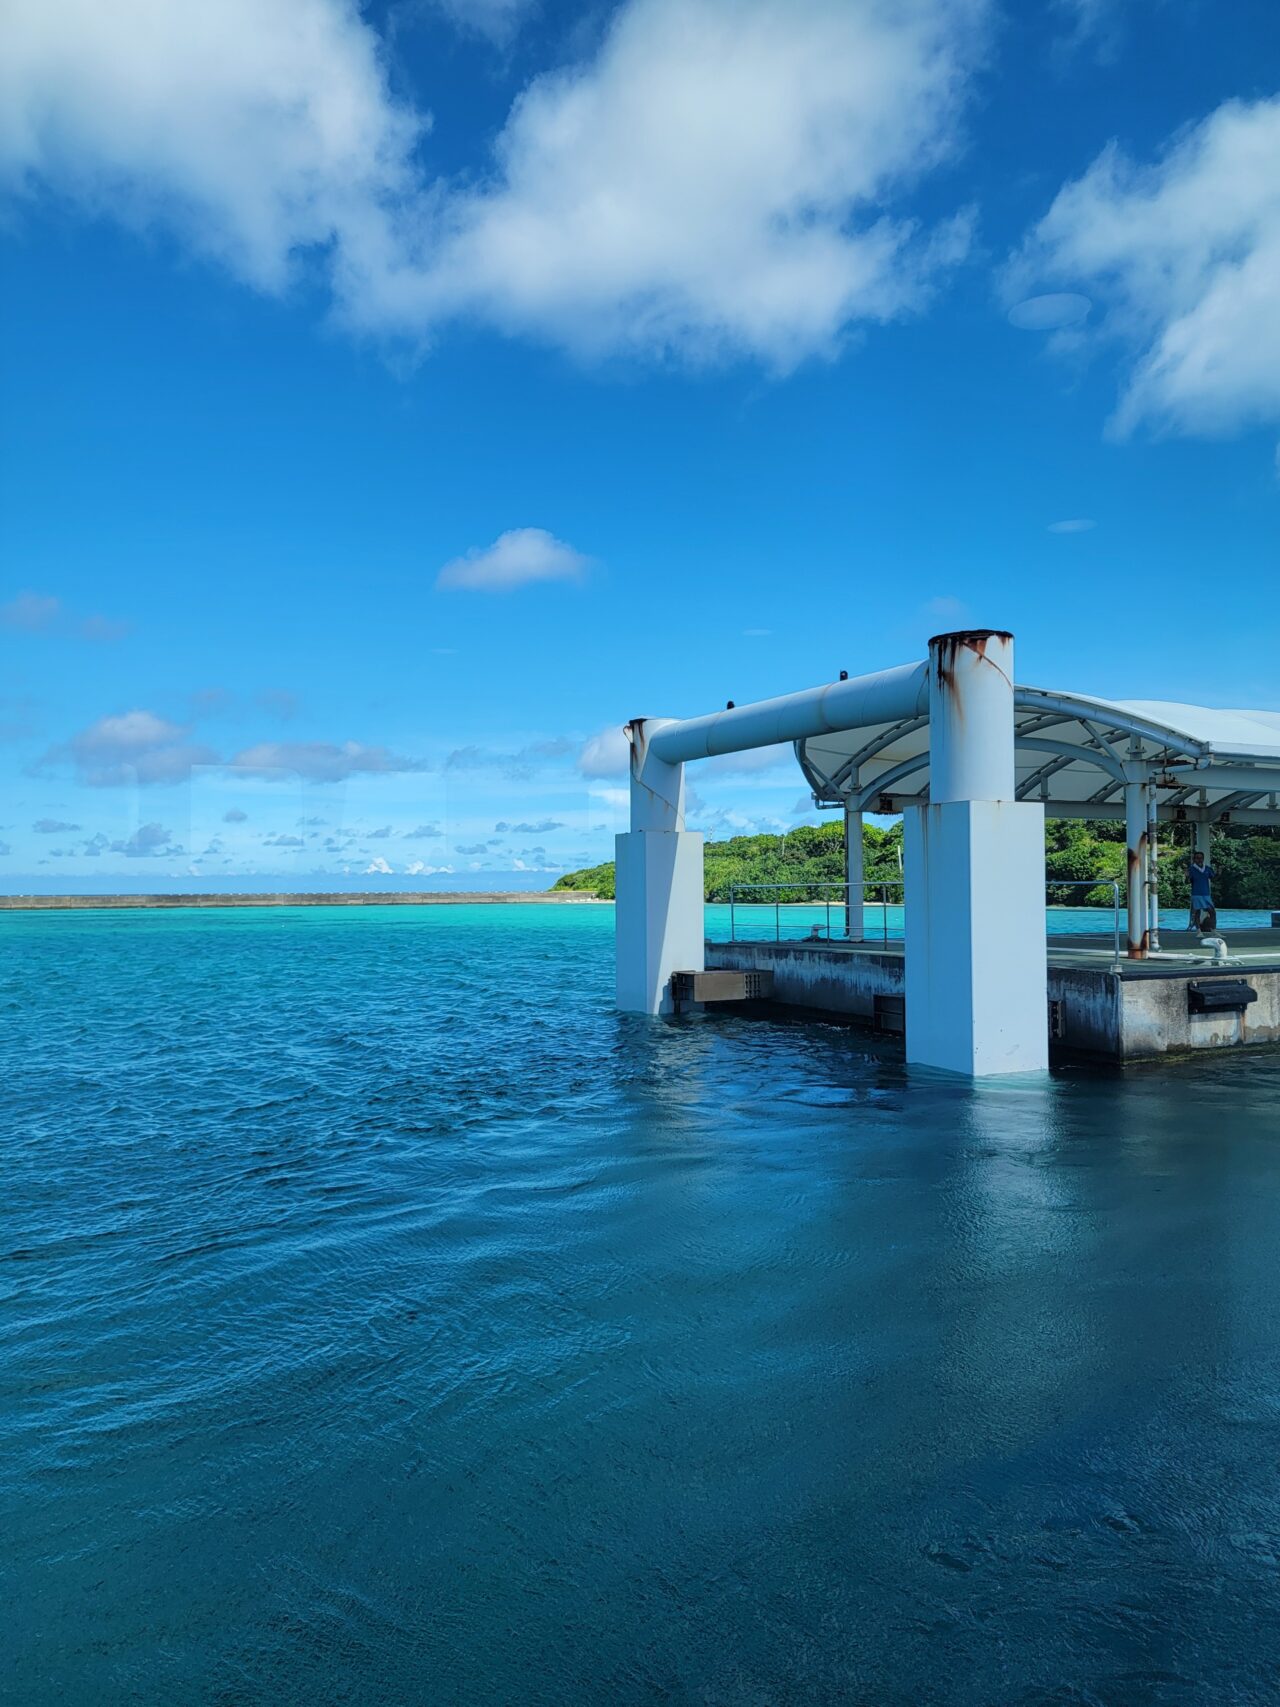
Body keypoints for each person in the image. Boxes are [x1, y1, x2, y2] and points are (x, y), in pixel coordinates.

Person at [1188, 848, 1216, 934]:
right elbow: (1188, 881)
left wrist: (1219, 873)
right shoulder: (1191, 869)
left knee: (1212, 911)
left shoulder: (1207, 869)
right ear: (1194, 859)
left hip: (1206, 894)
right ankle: (1198, 931)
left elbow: (1213, 877)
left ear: (1203, 859)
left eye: (1201, 858)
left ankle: (1213, 930)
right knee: (1197, 912)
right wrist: (1186, 876)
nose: (1199, 860)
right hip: (1196, 893)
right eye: (1197, 858)